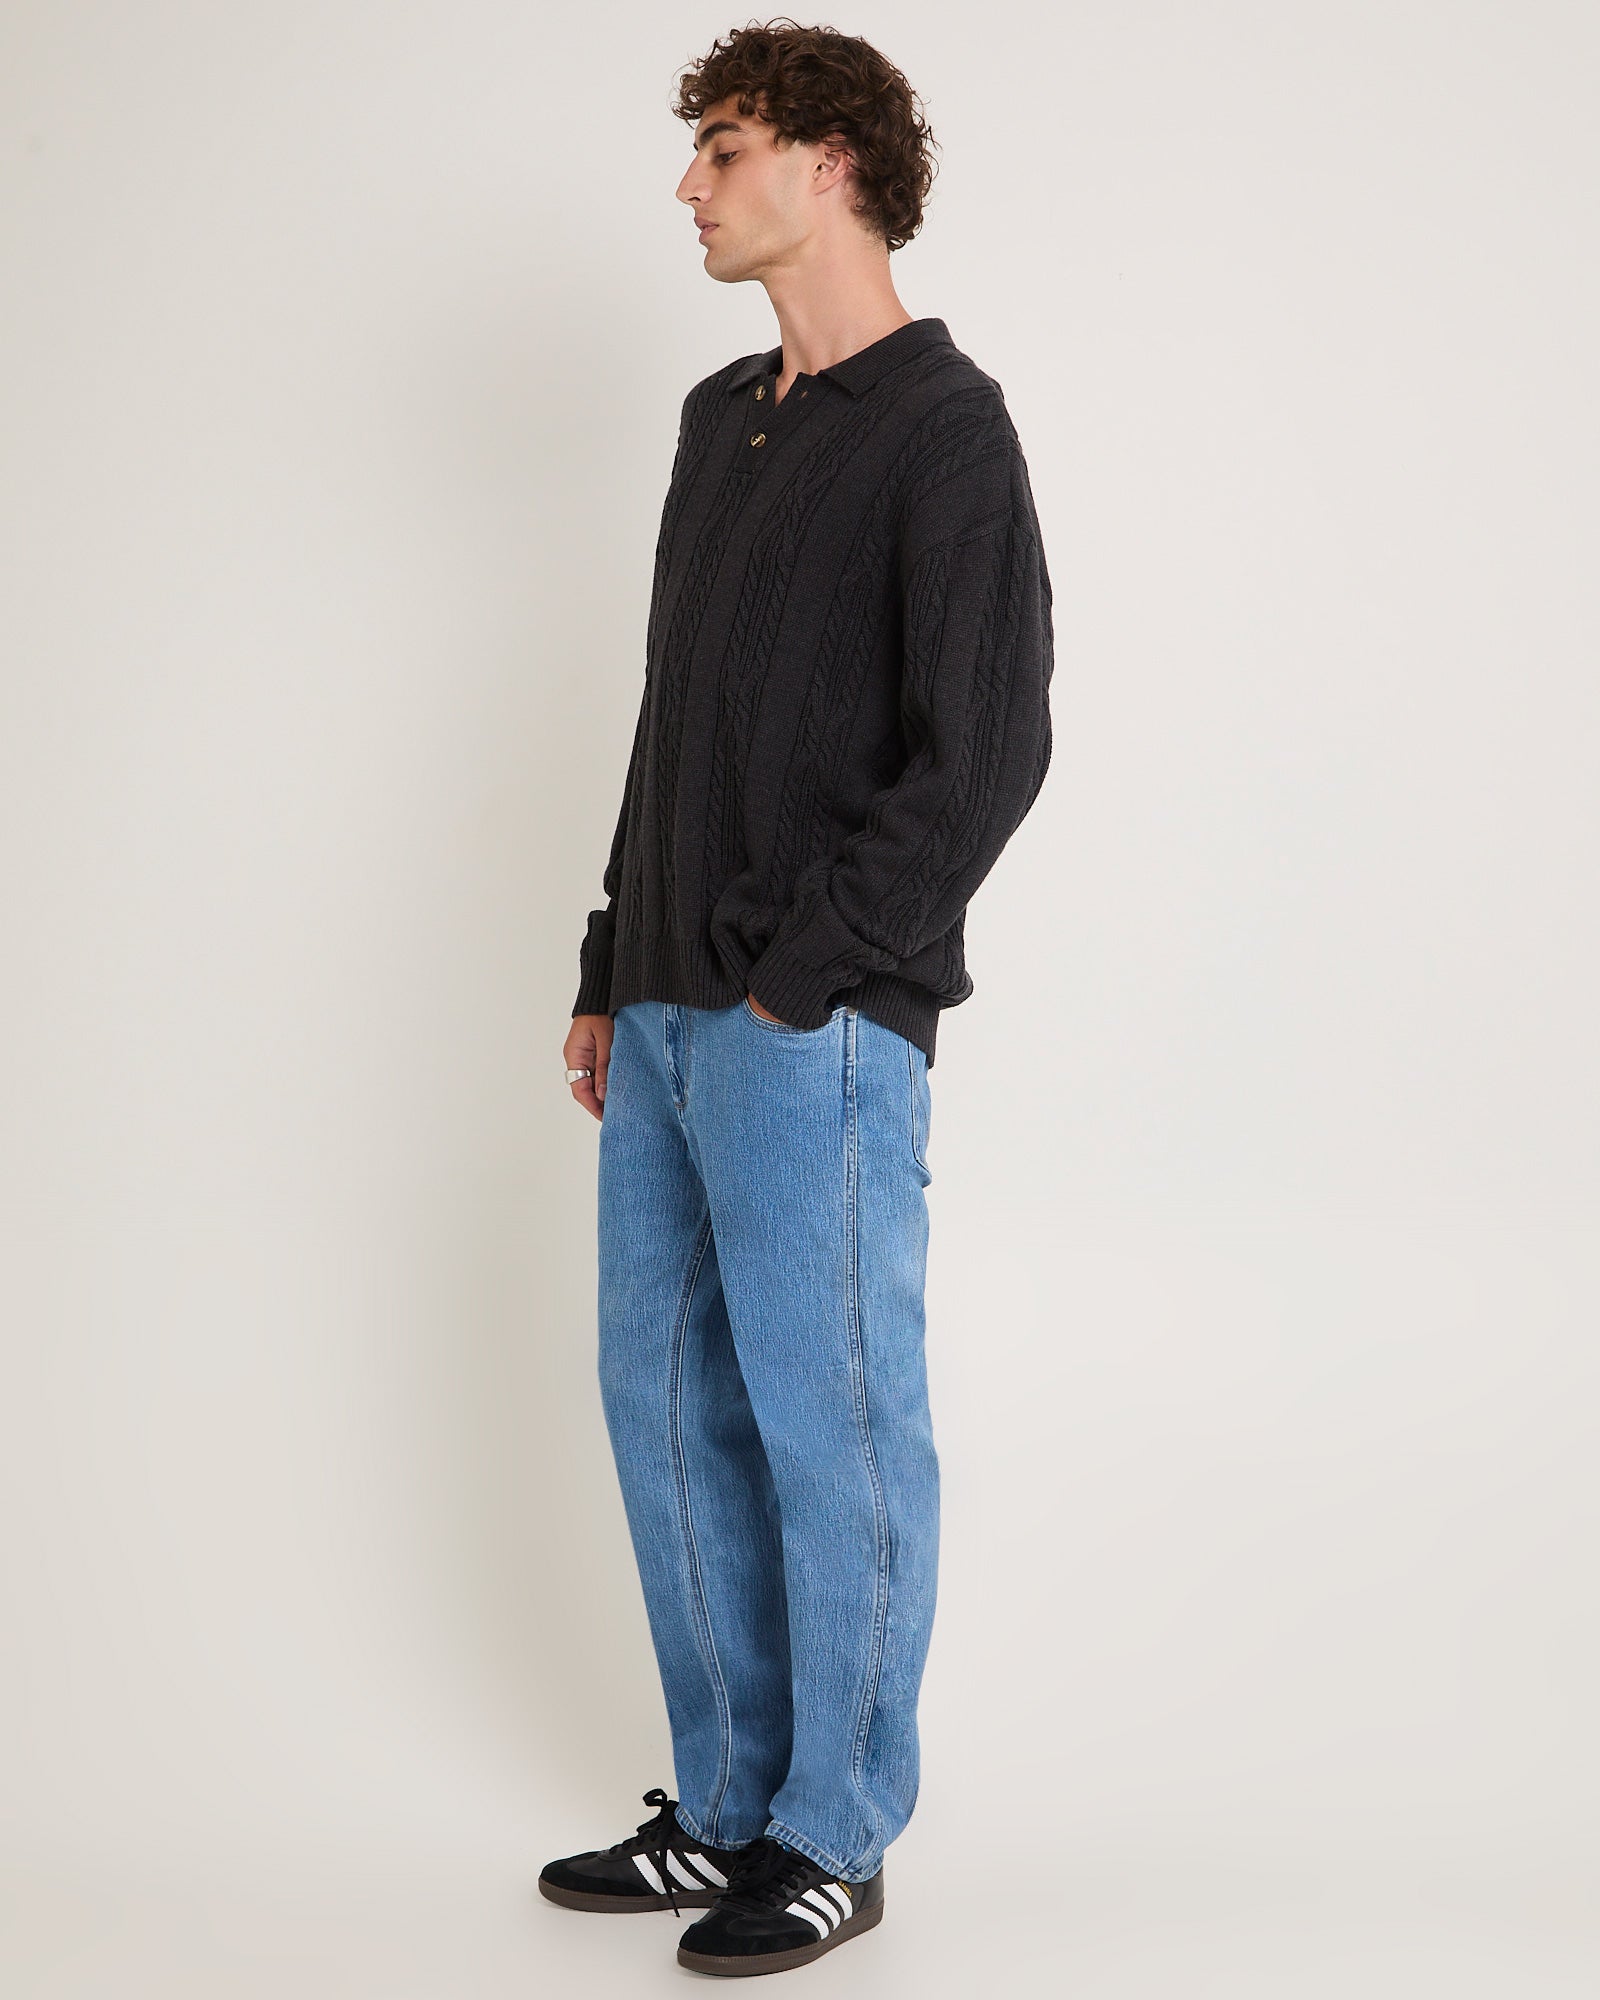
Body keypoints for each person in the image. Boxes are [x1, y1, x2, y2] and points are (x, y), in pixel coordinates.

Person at [545, 21, 1054, 1978]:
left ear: (831, 164)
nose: (690, 185)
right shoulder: (716, 419)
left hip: (807, 1026)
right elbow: (674, 712)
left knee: (829, 1421)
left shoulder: (945, 430)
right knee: (663, 1403)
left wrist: (805, 976)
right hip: (668, 1009)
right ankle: (728, 1807)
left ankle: (835, 1829)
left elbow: (984, 749)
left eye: (727, 147)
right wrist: (614, 958)